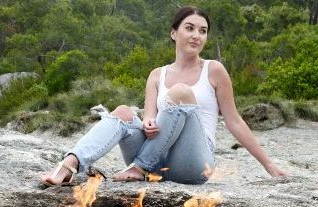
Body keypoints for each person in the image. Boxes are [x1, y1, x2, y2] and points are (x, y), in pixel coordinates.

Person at [41, 6, 287, 186]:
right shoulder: (157, 75)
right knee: (124, 112)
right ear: (174, 33)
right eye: (189, 28)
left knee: (180, 92)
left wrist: (268, 165)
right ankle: (70, 164)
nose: (196, 36)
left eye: (203, 31)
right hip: (158, 159)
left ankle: (139, 167)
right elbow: (150, 115)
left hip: (193, 164)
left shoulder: (214, 70)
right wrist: (147, 121)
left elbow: (234, 121)